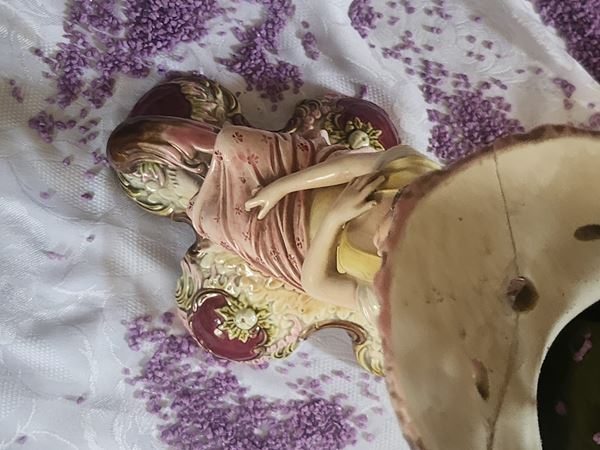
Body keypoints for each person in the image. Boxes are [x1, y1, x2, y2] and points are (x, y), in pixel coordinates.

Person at [108, 116, 441, 320]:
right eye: (391, 223)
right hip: (307, 172)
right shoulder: (415, 173)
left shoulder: (392, 297)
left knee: (215, 219)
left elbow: (317, 283)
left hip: (295, 245)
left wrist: (335, 219)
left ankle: (193, 192)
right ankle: (201, 148)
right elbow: (348, 167)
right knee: (235, 142)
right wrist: (280, 187)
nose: (379, 247)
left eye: (385, 256)